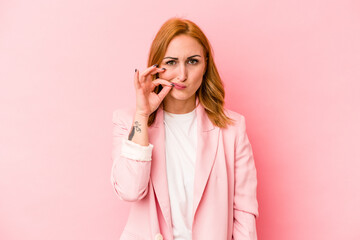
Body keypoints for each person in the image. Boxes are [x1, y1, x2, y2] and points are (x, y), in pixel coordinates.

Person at [110, 17, 259, 240]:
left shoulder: (233, 129)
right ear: (156, 67)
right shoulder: (128, 121)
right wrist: (142, 114)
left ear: (205, 64)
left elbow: (244, 213)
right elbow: (130, 191)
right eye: (170, 62)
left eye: (192, 61)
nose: (182, 75)